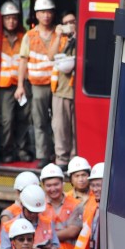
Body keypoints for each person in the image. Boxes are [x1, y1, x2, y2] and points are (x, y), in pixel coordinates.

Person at [15, 0, 66, 166]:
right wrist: (20, 85)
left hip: (58, 84)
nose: (46, 16)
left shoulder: (59, 34)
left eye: (49, 12)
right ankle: (43, 155)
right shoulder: (29, 36)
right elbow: (23, 61)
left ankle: (58, 154)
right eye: (42, 12)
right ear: (36, 15)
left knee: (58, 122)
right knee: (39, 121)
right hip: (37, 85)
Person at [0, 1, 30, 163]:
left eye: (14, 18)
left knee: (24, 118)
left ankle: (22, 150)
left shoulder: (25, 37)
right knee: (7, 120)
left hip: (23, 84)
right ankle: (6, 150)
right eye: (7, 18)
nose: (11, 22)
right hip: (3, 86)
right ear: (2, 20)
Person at [72, 162, 103, 249]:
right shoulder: (95, 208)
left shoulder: (109, 211)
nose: (95, 189)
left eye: (99, 185)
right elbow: (93, 245)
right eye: (93, 185)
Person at [0, 184, 58, 249]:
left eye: (36, 212)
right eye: (30, 211)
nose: (33, 215)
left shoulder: (48, 223)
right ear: (22, 205)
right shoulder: (8, 226)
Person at [50, 12, 77, 167]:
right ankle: (61, 159)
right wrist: (59, 35)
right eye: (66, 22)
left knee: (75, 129)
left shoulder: (81, 37)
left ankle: (74, 159)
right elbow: (51, 56)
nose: (69, 25)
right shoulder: (61, 39)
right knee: (60, 127)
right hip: (61, 91)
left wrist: (77, 34)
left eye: (72, 21)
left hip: (77, 92)